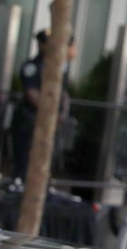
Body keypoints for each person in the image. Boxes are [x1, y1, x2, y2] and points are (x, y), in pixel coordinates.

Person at [8, 30, 76, 182]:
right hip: (30, 120)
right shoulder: (32, 66)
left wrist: (63, 112)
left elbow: (64, 94)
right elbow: (32, 94)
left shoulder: (58, 68)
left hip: (49, 122)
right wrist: (50, 112)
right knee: (25, 157)